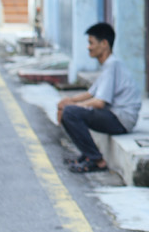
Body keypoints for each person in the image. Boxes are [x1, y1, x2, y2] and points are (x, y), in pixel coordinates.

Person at [56, 23, 141, 174]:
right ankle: (87, 155)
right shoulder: (109, 65)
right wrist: (67, 101)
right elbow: (91, 93)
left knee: (70, 113)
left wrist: (70, 107)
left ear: (104, 44)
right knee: (69, 110)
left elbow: (99, 102)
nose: (88, 47)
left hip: (121, 119)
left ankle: (96, 160)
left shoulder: (112, 65)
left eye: (91, 43)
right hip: (115, 116)